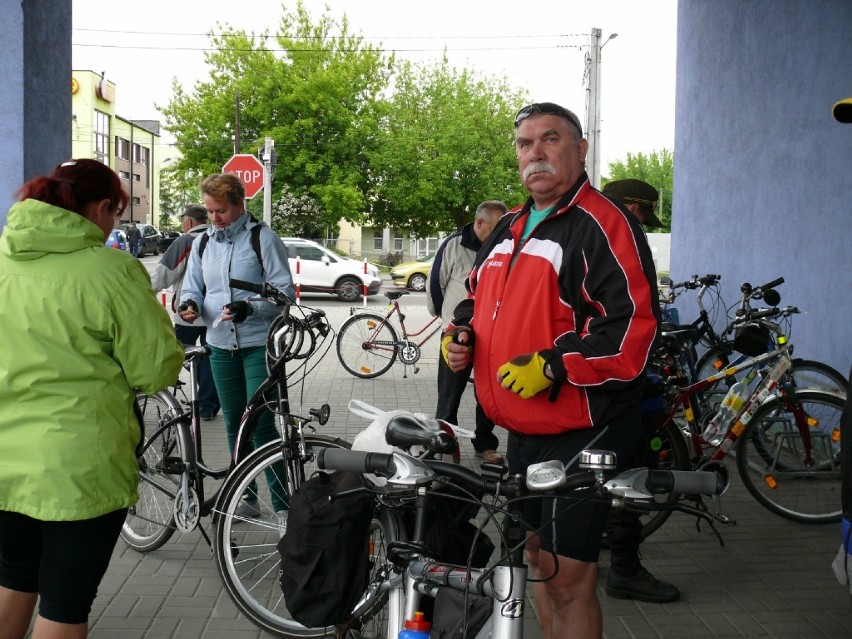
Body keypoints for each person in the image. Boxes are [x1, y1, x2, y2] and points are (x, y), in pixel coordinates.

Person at [443, 102, 660, 639]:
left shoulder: (604, 224)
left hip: (586, 430)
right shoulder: (512, 224)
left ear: (580, 149)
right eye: (525, 143)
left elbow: (633, 332)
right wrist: (461, 336)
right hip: (525, 432)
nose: (535, 152)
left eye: (551, 139)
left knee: (568, 580)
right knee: (534, 562)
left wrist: (553, 364)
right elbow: (473, 299)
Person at [0, 159, 184, 639]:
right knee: (64, 604)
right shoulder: (111, 271)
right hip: (78, 470)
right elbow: (155, 368)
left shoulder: (2, 259)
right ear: (103, 208)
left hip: (4, 462)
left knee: (13, 580)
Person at [179, 173, 295, 523]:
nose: (214, 218)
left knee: (260, 425)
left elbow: (285, 293)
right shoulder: (203, 243)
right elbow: (193, 286)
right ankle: (245, 497)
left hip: (257, 344)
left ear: (240, 204)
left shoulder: (262, 238)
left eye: (221, 211)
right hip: (219, 345)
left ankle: (283, 506)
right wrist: (190, 304)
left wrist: (251, 308)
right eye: (210, 211)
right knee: (233, 423)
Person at [599, 178, 681, 603]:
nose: (644, 225)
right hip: (615, 379)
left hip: (575, 378)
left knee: (572, 468)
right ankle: (625, 570)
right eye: (644, 216)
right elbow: (632, 312)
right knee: (629, 471)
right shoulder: (620, 239)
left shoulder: (573, 229)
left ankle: (556, 551)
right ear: (632, 208)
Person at [426, 200, 505, 464]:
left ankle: (485, 443)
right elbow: (435, 284)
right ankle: (444, 442)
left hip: (490, 336)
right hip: (455, 332)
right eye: (495, 227)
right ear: (479, 223)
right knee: (449, 393)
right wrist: (443, 319)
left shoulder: (503, 249)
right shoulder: (453, 245)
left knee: (487, 394)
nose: (500, 233)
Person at [151, 204, 221, 420]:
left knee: (177, 351)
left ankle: (167, 394)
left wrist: (146, 292)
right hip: (217, 313)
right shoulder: (218, 238)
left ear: (189, 222)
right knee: (211, 356)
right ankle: (208, 405)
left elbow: (164, 274)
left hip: (189, 312)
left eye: (183, 220)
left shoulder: (185, 241)